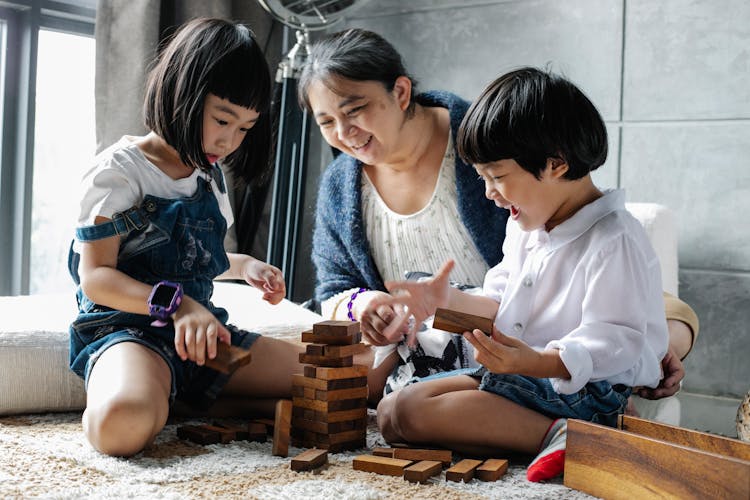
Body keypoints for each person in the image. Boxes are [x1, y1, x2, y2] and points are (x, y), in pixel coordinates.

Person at [297, 28, 698, 405]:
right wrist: (369, 303)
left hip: (511, 334)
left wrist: (660, 348)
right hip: (429, 324)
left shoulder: (488, 141)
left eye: (355, 110)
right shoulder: (341, 186)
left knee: (664, 326)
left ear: (401, 92)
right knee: (342, 380)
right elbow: (334, 289)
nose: (344, 132)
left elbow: (583, 269)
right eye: (326, 122)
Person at [371, 67, 669, 482]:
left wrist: (538, 361)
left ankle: (577, 438)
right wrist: (446, 301)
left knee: (412, 413)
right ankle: (551, 434)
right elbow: (499, 304)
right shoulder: (526, 227)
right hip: (526, 376)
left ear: (556, 164)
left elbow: (616, 341)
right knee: (393, 413)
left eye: (496, 177)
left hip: (584, 391)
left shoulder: (613, 238)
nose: (489, 193)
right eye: (483, 179)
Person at [67, 18, 303, 457]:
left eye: (245, 128)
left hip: (202, 337)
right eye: (222, 119)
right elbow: (96, 278)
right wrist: (180, 305)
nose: (230, 141)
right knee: (119, 426)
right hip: (131, 334)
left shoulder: (207, 175)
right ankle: (155, 394)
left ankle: (185, 398)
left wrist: (246, 265)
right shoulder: (119, 172)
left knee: (342, 380)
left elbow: (198, 257)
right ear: (184, 92)